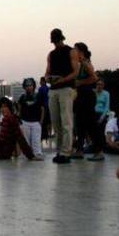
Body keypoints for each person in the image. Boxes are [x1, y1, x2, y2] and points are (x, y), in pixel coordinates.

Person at [45, 28, 80, 164]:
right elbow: (47, 71)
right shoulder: (51, 54)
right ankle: (60, 150)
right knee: (56, 122)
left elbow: (76, 72)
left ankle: (66, 152)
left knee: (66, 121)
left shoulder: (71, 51)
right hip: (54, 89)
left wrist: (62, 80)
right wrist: (48, 78)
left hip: (66, 88)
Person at [71, 42, 99, 160]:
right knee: (80, 124)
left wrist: (80, 82)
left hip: (87, 96)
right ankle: (80, 150)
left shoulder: (86, 63)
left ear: (81, 52)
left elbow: (94, 78)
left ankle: (98, 151)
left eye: (75, 50)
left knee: (90, 124)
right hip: (80, 96)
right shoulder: (78, 64)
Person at [17, 78, 44, 159]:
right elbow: (19, 110)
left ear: (34, 86)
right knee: (26, 141)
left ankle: (37, 154)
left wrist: (41, 121)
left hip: (36, 122)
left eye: (30, 85)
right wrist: (19, 121)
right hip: (24, 122)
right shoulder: (22, 97)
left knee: (36, 140)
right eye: (27, 86)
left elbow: (42, 109)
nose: (29, 87)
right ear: (24, 87)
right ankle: (26, 155)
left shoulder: (39, 96)